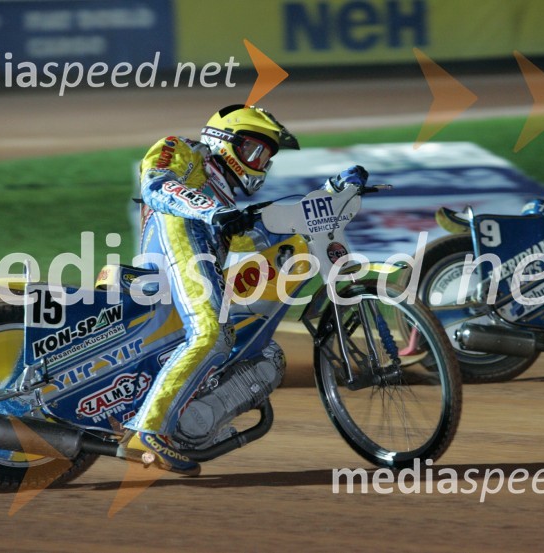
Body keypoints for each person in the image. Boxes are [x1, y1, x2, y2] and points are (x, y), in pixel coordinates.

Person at [118, 104, 368, 475]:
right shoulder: (182, 149)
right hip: (174, 238)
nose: (259, 163)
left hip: (199, 259)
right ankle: (147, 430)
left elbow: (262, 232)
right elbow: (156, 185)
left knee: (266, 355)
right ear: (223, 141)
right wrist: (209, 210)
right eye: (253, 150)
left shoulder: (228, 205)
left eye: (265, 157)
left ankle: (187, 429)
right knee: (212, 333)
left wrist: (331, 193)